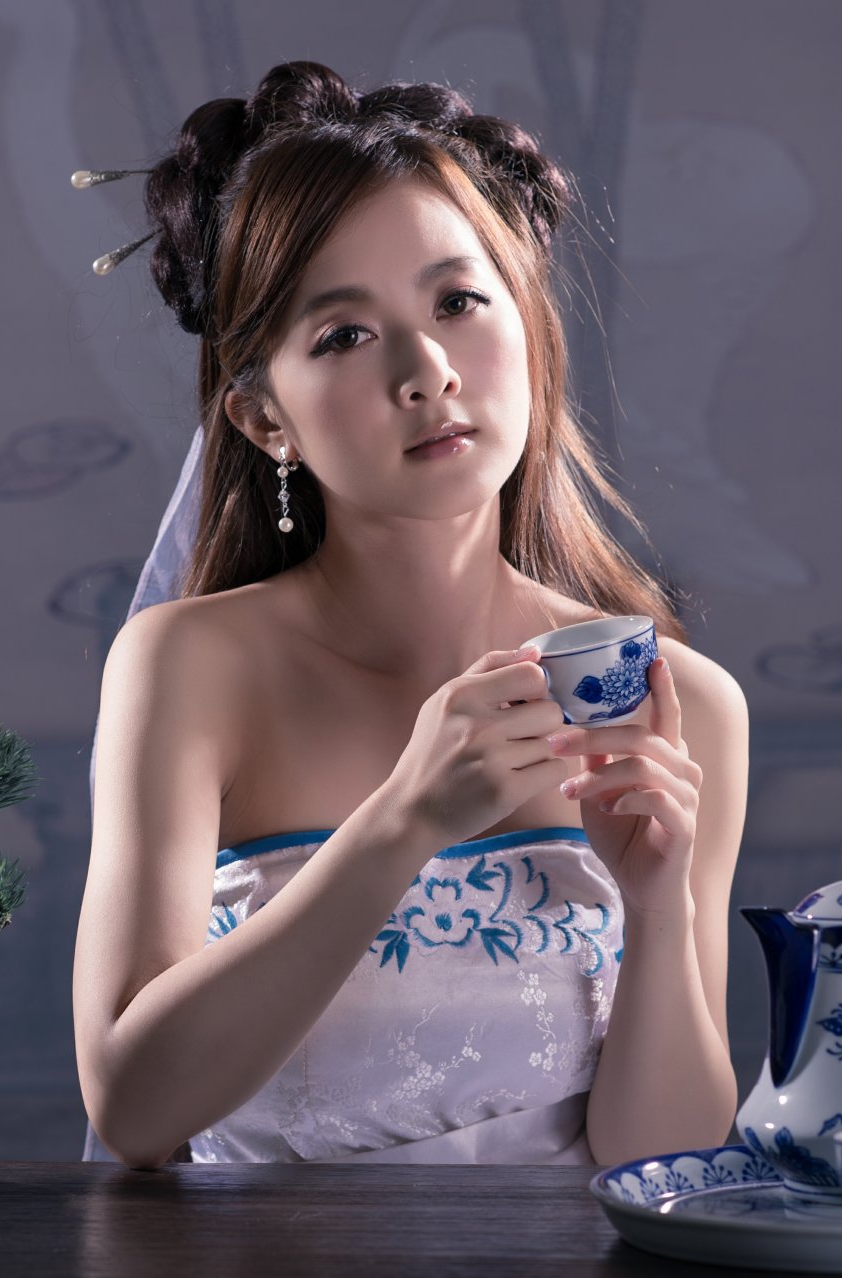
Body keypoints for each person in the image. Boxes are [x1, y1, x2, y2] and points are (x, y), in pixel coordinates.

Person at [72, 62, 749, 1169]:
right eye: (343, 335)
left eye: (458, 302)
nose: (427, 370)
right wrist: (404, 822)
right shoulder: (191, 666)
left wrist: (659, 901)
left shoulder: (682, 701)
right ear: (262, 416)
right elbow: (134, 1108)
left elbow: (660, 1163)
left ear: (526, 325)